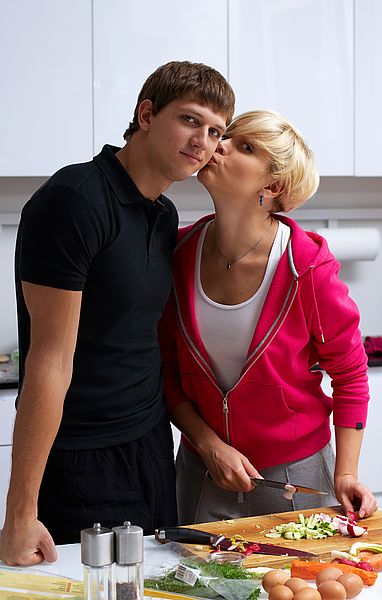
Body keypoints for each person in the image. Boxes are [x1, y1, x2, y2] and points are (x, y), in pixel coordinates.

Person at [0, 61, 235, 566]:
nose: (203, 141)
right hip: (82, 456)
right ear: (147, 114)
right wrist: (20, 511)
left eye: (216, 132)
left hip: (150, 444)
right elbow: (48, 363)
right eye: (190, 120)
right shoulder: (75, 201)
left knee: (154, 583)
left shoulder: (164, 213)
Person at [158, 109, 378, 524]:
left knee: (295, 588)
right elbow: (168, 373)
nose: (217, 144)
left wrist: (346, 473)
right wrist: (207, 445)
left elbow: (350, 375)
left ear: (272, 186)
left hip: (296, 479)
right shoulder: (178, 254)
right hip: (201, 473)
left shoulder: (306, 266)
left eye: (243, 147)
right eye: (227, 135)